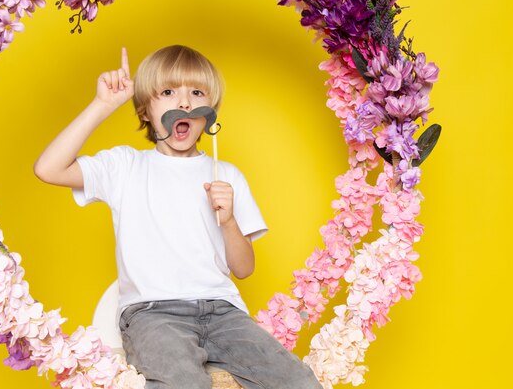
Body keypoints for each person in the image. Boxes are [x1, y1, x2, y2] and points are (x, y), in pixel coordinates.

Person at [34, 45, 322, 389]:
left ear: (208, 112)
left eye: (196, 93)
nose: (184, 103)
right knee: (185, 383)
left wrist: (229, 221)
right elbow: (48, 168)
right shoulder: (125, 166)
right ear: (146, 111)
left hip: (223, 311)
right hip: (152, 313)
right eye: (169, 92)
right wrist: (103, 106)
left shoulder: (226, 175)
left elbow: (244, 269)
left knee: (299, 382)